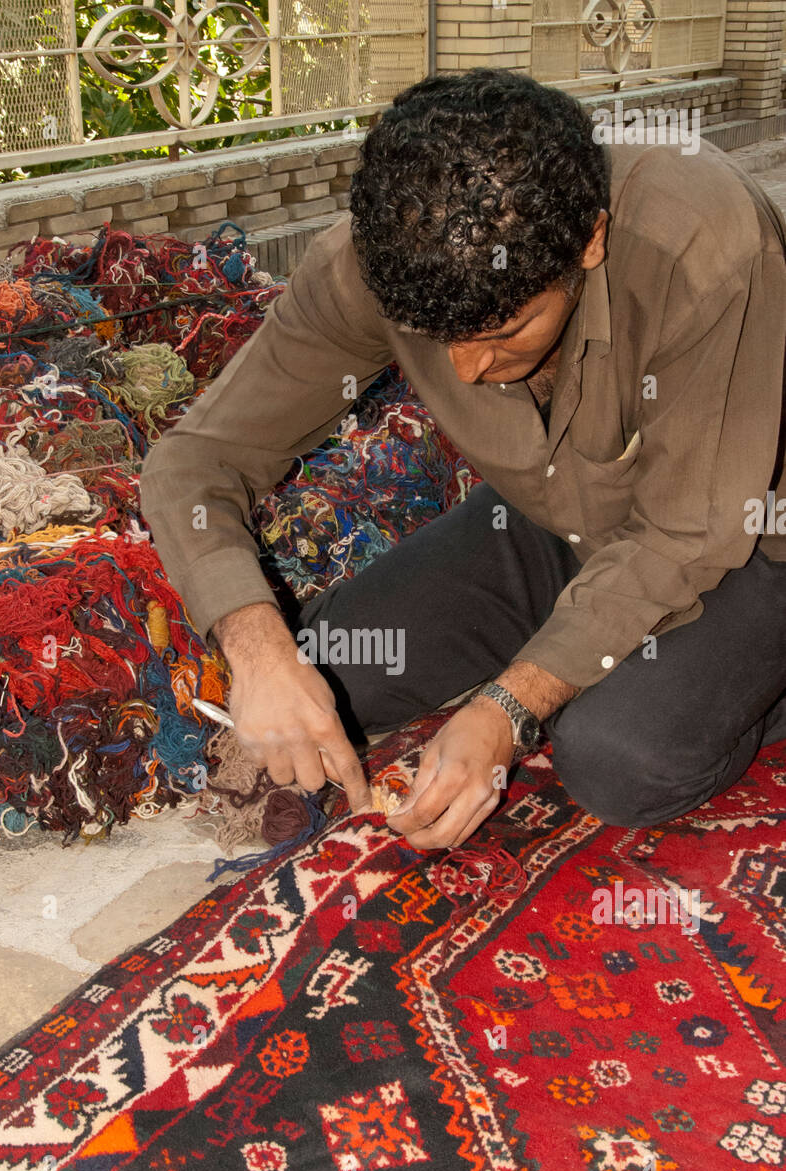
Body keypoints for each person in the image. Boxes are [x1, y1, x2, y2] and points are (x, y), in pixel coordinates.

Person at [140, 68, 786, 851]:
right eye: (439, 340)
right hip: (556, 516)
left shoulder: (699, 241)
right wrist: (258, 649)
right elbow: (197, 460)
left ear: (591, 238)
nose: (470, 373)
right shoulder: (380, 255)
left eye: (505, 331)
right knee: (331, 674)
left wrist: (509, 708)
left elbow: (688, 535)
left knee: (618, 757)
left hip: (747, 534)